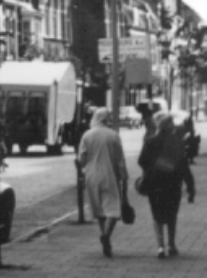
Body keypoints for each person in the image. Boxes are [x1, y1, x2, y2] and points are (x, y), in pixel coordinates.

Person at [138, 111, 195, 258]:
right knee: (171, 214)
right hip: (173, 183)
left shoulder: (150, 141)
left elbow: (142, 161)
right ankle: (171, 244)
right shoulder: (177, 143)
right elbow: (183, 166)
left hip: (155, 183)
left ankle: (160, 246)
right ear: (170, 126)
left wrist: (152, 169)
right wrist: (190, 187)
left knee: (157, 214)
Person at [77, 108, 129, 257]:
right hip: (110, 175)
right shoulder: (113, 135)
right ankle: (106, 235)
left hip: (92, 175)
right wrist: (124, 176)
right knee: (113, 208)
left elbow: (82, 159)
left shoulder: (87, 135)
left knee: (99, 209)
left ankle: (104, 235)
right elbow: (120, 159)